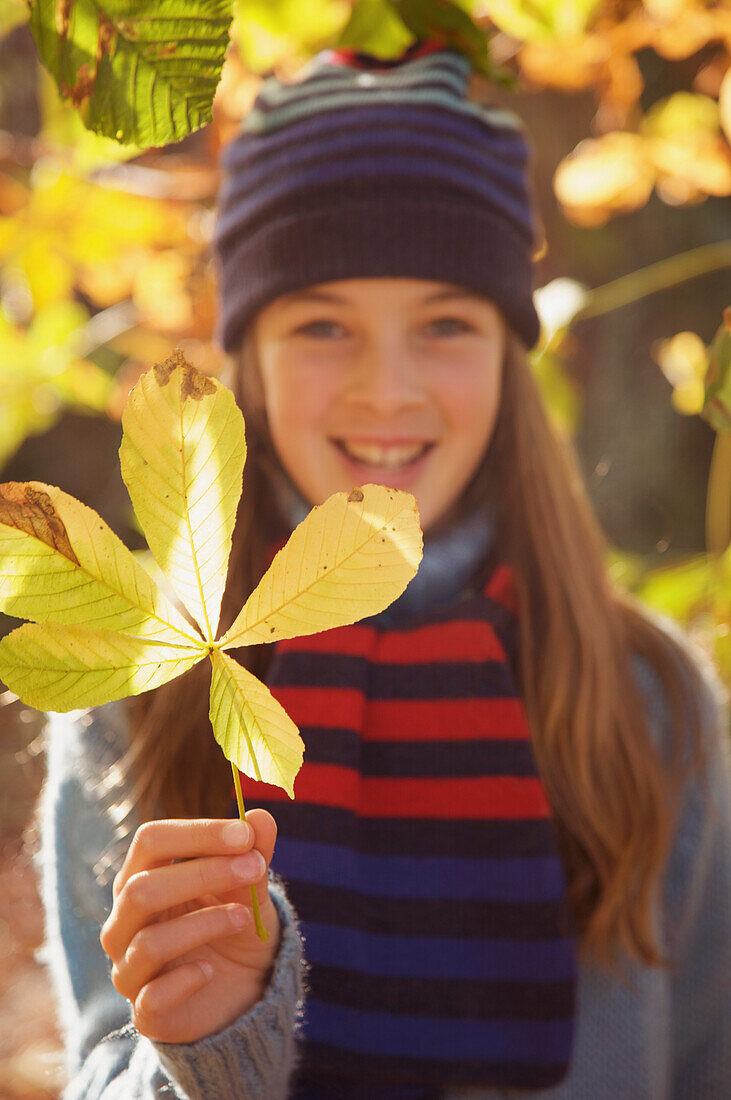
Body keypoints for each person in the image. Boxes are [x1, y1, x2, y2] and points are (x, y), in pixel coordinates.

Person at [37, 40, 730, 1100]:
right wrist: (203, 1055)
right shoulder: (141, 698)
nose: (386, 389)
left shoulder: (646, 698)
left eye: (445, 323)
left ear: (508, 351)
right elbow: (99, 1068)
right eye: (322, 324)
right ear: (249, 361)